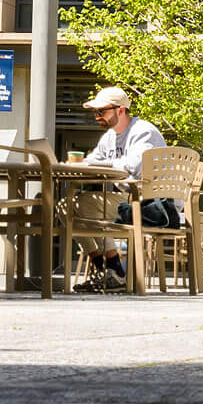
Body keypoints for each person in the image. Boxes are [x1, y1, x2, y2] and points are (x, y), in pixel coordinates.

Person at [74, 86, 167, 292]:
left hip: (154, 204)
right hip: (130, 199)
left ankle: (115, 273)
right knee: (64, 207)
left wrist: (95, 165)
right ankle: (107, 272)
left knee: (84, 203)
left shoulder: (143, 132)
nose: (97, 116)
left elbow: (133, 166)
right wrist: (78, 164)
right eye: (95, 112)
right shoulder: (110, 137)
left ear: (121, 110)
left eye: (102, 111)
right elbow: (93, 160)